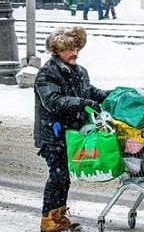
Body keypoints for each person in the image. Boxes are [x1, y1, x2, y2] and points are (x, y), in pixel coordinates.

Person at [34, 26, 112, 232]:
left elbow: (90, 91)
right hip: (54, 134)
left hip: (74, 134)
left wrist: (110, 95)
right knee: (58, 175)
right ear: (57, 50)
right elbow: (53, 101)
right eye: (69, 49)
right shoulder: (47, 73)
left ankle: (58, 217)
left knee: (65, 176)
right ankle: (48, 219)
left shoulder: (79, 71)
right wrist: (81, 102)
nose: (75, 53)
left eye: (77, 48)